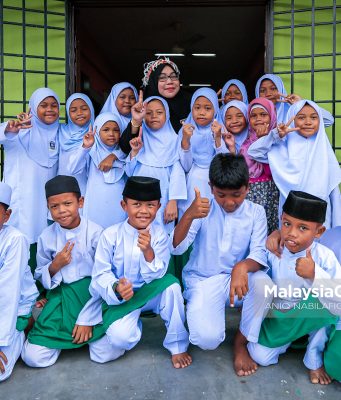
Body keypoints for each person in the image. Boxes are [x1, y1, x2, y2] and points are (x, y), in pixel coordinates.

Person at [171, 153, 273, 376]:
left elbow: (258, 254)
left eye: (236, 194)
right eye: (221, 194)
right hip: (204, 279)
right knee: (206, 339)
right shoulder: (201, 209)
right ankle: (202, 310)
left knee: (264, 285)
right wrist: (188, 215)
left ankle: (241, 342)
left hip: (239, 280)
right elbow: (176, 248)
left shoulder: (256, 212)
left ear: (247, 188)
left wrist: (241, 267)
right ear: (211, 187)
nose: (229, 202)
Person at [86, 176, 192, 368]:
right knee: (115, 343)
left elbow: (158, 275)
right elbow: (100, 274)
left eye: (150, 205)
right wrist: (117, 287)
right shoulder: (110, 235)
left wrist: (148, 252)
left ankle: (177, 345)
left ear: (159, 207)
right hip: (124, 298)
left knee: (172, 287)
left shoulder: (159, 234)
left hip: (151, 293)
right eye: (136, 204)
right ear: (124, 205)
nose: (144, 211)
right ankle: (133, 323)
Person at [248, 190, 341, 384]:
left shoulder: (324, 257)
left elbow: (338, 299)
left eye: (303, 228)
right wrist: (273, 235)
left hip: (311, 314)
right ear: (280, 220)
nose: (291, 233)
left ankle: (313, 359)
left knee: (324, 304)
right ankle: (291, 341)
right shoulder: (274, 249)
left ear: (319, 232)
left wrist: (315, 274)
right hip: (280, 316)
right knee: (260, 356)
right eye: (287, 224)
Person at [21, 175, 104, 368]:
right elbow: (40, 274)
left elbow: (104, 275)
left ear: (80, 202)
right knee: (33, 358)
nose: (61, 211)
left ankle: (83, 333)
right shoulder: (46, 236)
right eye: (54, 206)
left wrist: (88, 318)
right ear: (48, 208)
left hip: (91, 296)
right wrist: (55, 266)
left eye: (67, 203)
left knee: (105, 353)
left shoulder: (96, 233)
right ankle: (68, 339)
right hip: (60, 298)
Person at [248, 99, 341, 229]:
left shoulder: (323, 148)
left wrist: (337, 226)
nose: (308, 122)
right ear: (292, 119)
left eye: (314, 117)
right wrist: (274, 135)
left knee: (319, 246)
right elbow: (254, 152)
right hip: (291, 211)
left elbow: (333, 190)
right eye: (301, 117)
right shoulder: (283, 144)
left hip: (321, 213)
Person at [0, 88, 60, 245]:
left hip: (47, 203)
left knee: (44, 244)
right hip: (22, 204)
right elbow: (3, 135)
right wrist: (8, 128)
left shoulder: (61, 133)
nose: (49, 110)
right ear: (34, 107)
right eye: (44, 105)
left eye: (54, 105)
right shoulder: (20, 130)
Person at [125, 96, 186, 233]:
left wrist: (173, 201)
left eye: (159, 112)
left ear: (167, 114)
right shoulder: (139, 139)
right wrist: (134, 152)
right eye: (148, 112)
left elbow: (178, 172)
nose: (154, 116)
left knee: (160, 236)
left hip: (163, 196)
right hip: (138, 194)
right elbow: (129, 172)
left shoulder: (175, 140)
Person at [0, 182, 38, 381]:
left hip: (12, 310)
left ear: (6, 216)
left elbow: (8, 292)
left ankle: (22, 329)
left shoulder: (15, 240)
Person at [119, 57, 191, 154]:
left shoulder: (191, 104)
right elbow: (126, 148)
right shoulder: (145, 108)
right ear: (153, 82)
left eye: (173, 76)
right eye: (162, 78)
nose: (169, 81)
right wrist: (136, 121)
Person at [68, 112, 127, 228]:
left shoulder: (124, 152)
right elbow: (73, 169)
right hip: (95, 203)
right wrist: (85, 147)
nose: (111, 134)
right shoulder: (91, 151)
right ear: (98, 131)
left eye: (116, 130)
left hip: (118, 204)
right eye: (106, 130)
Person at [178, 87, 227, 216]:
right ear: (191, 108)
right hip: (193, 183)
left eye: (207, 108)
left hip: (216, 183)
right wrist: (186, 140)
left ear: (215, 110)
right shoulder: (185, 131)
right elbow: (185, 166)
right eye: (197, 107)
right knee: (192, 220)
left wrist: (217, 138)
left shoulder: (222, 130)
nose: (201, 112)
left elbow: (225, 164)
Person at [255, 73, 334, 126]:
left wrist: (301, 104)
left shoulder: (294, 112)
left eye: (273, 89)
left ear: (281, 89)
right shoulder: (253, 114)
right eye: (262, 91)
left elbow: (328, 120)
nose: (268, 93)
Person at [58, 93, 95, 195]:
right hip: (63, 187)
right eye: (73, 110)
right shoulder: (60, 131)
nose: (79, 113)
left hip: (87, 188)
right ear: (68, 113)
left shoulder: (98, 132)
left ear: (91, 109)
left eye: (84, 108)